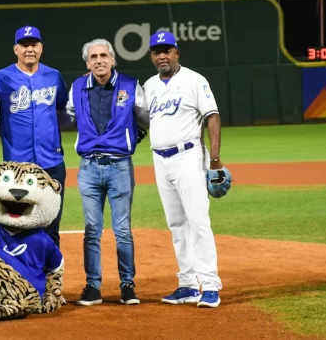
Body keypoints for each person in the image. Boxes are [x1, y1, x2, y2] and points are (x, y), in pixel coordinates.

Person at [142, 31, 224, 308]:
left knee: (198, 221)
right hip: (159, 160)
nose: (162, 55)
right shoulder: (150, 86)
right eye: (156, 51)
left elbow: (212, 116)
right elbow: (143, 121)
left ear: (177, 52)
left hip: (188, 156)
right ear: (152, 56)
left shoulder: (194, 80)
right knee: (176, 224)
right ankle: (188, 284)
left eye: (167, 50)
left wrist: (214, 159)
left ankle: (210, 284)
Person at [66, 38, 149, 307]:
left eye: (104, 55)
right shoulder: (77, 86)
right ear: (87, 63)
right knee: (92, 229)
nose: (99, 60)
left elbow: (145, 116)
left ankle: (127, 285)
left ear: (113, 59)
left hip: (119, 167)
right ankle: (93, 287)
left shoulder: (130, 85)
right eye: (94, 57)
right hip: (89, 167)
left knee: (122, 229)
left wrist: (134, 137)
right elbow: (69, 114)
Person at [0, 26, 69, 248]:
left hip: (52, 163)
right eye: (24, 45)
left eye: (34, 44)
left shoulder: (53, 76)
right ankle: (23, 278)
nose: (29, 49)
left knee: (51, 224)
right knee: (18, 225)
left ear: (41, 48)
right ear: (16, 49)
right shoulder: (1, 79)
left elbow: (61, 109)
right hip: (16, 168)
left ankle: (50, 277)